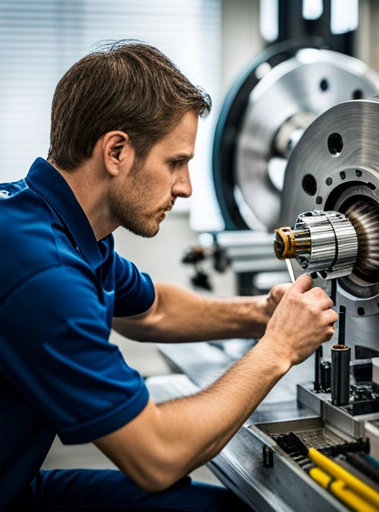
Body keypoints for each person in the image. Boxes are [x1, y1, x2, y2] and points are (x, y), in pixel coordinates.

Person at [0, 41, 338, 512]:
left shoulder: (52, 220)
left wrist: (263, 315)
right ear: (116, 151)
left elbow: (152, 309)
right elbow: (156, 457)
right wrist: (279, 348)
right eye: (175, 163)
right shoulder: (43, 271)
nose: (185, 187)